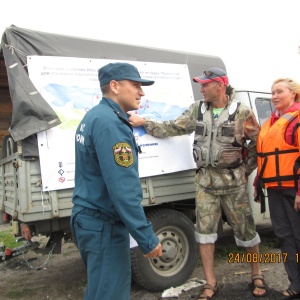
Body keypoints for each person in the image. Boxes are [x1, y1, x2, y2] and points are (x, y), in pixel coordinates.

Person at [129, 67, 268, 299]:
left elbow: (257, 144)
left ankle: (257, 273)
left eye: (205, 84)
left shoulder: (241, 112)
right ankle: (210, 283)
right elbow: (174, 127)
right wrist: (145, 122)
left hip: (233, 184)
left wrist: (246, 171)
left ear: (220, 85)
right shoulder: (198, 109)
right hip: (205, 183)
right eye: (200, 85)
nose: (201, 88)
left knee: (246, 232)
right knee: (204, 234)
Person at [70, 62, 162, 300]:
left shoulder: (95, 116)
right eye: (136, 85)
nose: (141, 92)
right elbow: (123, 190)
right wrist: (147, 238)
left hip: (90, 220)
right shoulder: (111, 124)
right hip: (103, 225)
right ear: (115, 86)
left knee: (101, 289)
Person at [255, 78, 300, 300]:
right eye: (272, 92)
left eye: (279, 92)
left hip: (294, 189)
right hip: (274, 189)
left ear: (293, 94)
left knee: (298, 236)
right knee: (284, 236)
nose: (274, 96)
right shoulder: (270, 123)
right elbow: (263, 158)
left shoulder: (297, 119)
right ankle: (295, 283)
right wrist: (257, 185)